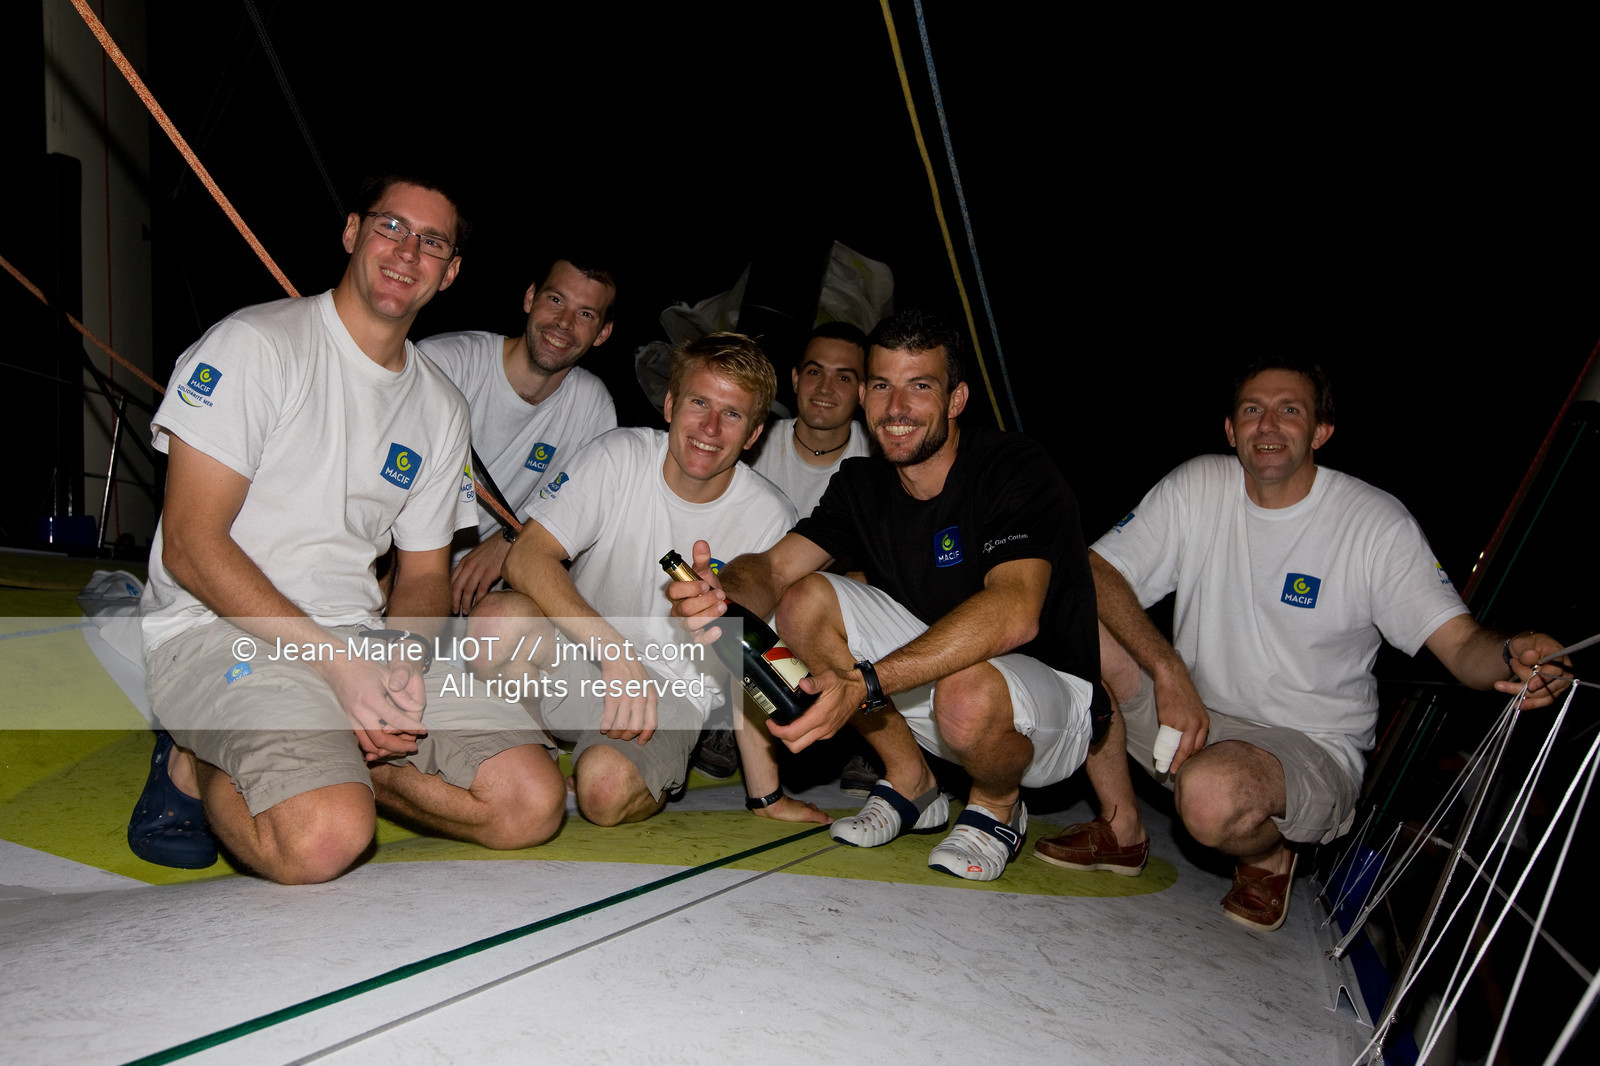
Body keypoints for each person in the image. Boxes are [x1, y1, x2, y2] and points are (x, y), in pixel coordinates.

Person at [127, 174, 565, 884]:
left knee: (531, 804)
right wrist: (336, 662)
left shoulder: (439, 406)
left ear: (451, 271)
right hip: (218, 629)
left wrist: (401, 663)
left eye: (432, 242)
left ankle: (336, 751)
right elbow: (189, 544)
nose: (406, 252)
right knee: (326, 839)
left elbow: (423, 576)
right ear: (352, 233)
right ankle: (195, 756)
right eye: (391, 227)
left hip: (358, 640)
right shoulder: (254, 346)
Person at [1033, 357, 1570, 930]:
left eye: (1289, 410)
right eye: (1252, 410)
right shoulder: (1198, 486)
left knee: (1211, 798)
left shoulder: (1374, 524)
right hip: (1191, 719)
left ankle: (1268, 856)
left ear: (1320, 431)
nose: (1268, 425)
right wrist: (1167, 667)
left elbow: (1462, 646)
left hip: (1307, 746)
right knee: (1069, 607)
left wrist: (1513, 651)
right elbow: (1093, 569)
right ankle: (1121, 829)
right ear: (1230, 430)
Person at [669, 309, 1107, 881]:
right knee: (805, 599)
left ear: (955, 399)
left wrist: (865, 684)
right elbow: (774, 570)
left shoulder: (1011, 467)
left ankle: (999, 805)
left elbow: (1016, 611)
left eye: (919, 386)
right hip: (930, 683)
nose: (895, 408)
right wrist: (720, 593)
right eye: (881, 384)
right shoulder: (861, 483)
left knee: (967, 689)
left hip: (1049, 710)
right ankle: (912, 782)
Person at [467, 334, 828, 827]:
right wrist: (613, 652)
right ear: (671, 404)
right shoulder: (619, 455)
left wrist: (765, 795)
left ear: (754, 434)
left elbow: (745, 661)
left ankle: (621, 765)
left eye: (733, 414)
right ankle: (539, 751)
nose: (709, 427)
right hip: (586, 654)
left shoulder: (770, 517)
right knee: (495, 623)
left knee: (604, 792)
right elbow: (526, 557)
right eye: (699, 402)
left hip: (671, 693)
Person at [418, 260, 618, 614]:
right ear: (530, 297)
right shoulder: (444, 363)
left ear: (602, 333)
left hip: (491, 594)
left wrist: (510, 539)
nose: (565, 323)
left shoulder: (593, 406)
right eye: (556, 300)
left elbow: (588, 513)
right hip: (405, 565)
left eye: (586, 314)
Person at [747, 321, 871, 517]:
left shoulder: (877, 462)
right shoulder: (752, 446)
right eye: (815, 372)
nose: (824, 388)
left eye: (843, 378)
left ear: (862, 391)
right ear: (796, 379)